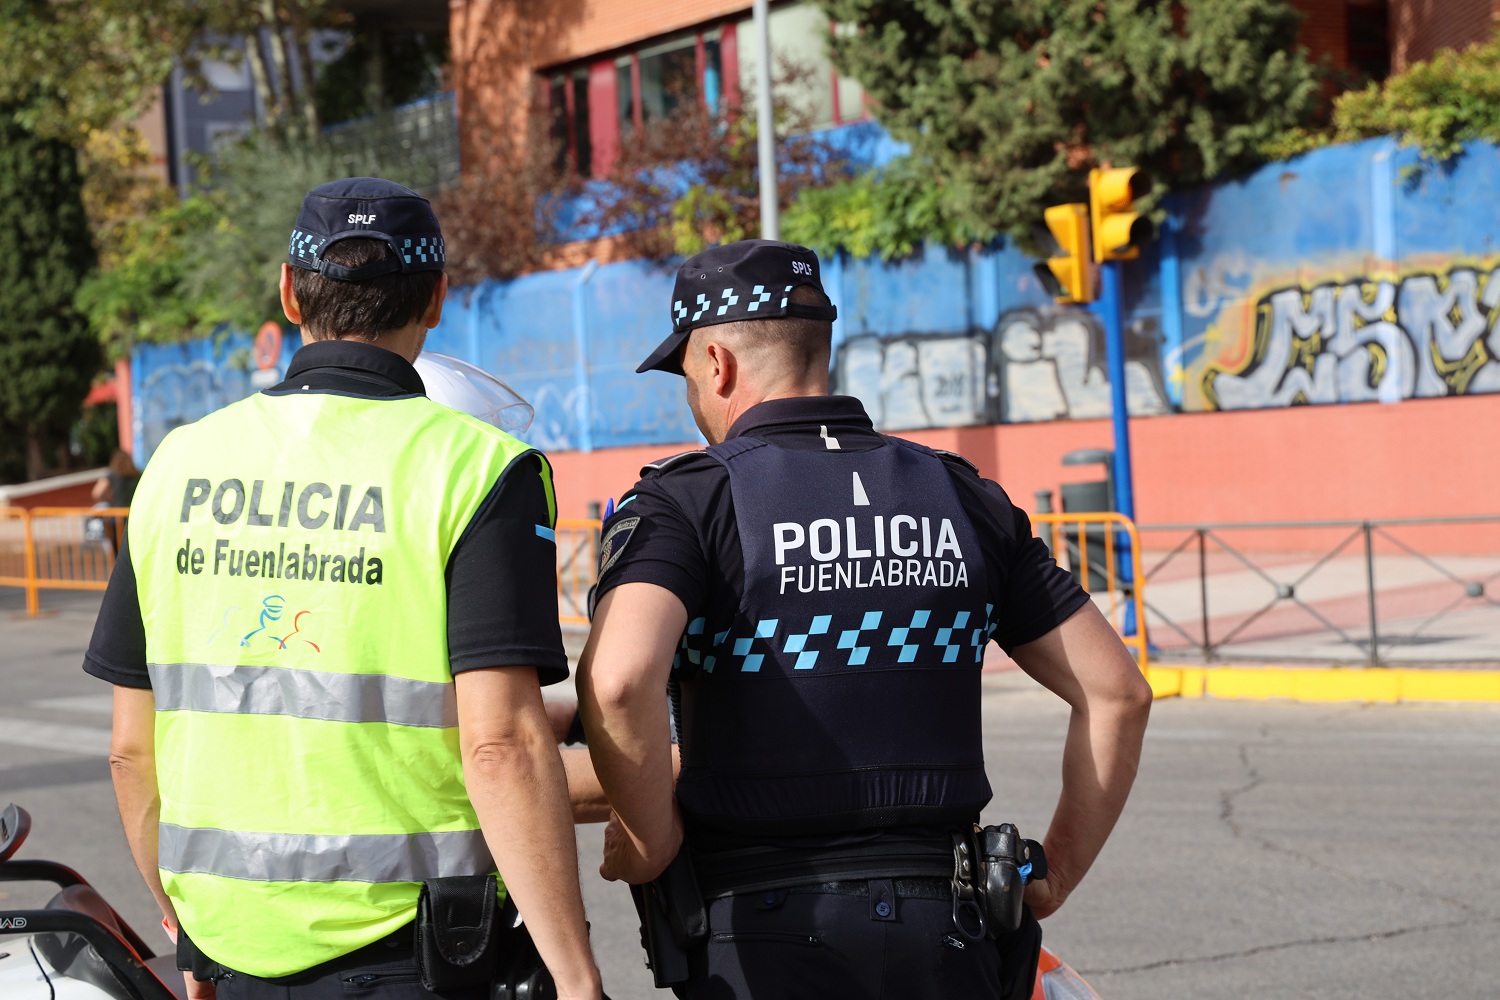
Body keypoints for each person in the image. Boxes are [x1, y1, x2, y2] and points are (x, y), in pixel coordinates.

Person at [576, 239, 1153, 999]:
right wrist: (1058, 871)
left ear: (717, 364)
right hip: (953, 931)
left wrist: (648, 843)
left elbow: (620, 681)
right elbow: (1118, 693)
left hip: (759, 933)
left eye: (685, 377)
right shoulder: (962, 497)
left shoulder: (690, 504)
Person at [83, 178, 602, 1000]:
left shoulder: (177, 464)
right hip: (414, 953)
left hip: (233, 949)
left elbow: (129, 748)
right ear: (437, 298)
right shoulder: (480, 468)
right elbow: (500, 745)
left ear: (289, 293)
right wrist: (578, 978)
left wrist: (187, 925)